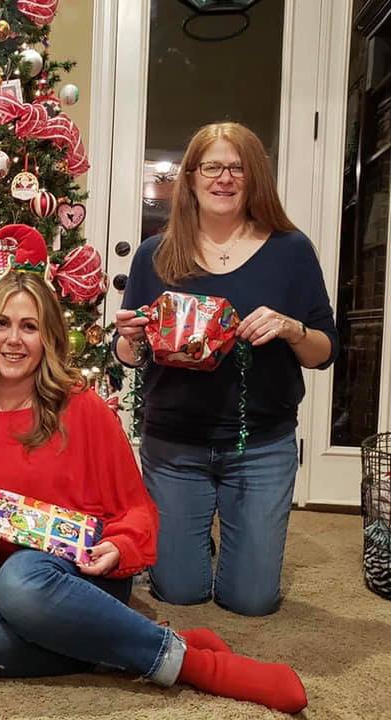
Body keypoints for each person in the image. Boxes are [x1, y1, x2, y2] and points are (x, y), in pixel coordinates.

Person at [0, 225, 308, 713]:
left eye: (30, 327)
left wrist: (118, 546)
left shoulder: (83, 409)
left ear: (50, 339)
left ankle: (191, 664)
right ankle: (131, 642)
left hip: (76, 575)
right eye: (2, 324)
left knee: (21, 580)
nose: (13, 340)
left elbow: (135, 510)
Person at [114, 122, 338, 617]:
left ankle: (229, 542)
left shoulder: (291, 250)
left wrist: (292, 328)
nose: (224, 178)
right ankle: (195, 540)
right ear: (191, 177)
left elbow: (323, 353)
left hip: (260, 445)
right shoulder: (155, 254)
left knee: (251, 601)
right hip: (173, 446)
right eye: (211, 167)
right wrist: (129, 339)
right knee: (180, 592)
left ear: (255, 177)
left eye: (237, 167)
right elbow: (127, 354)